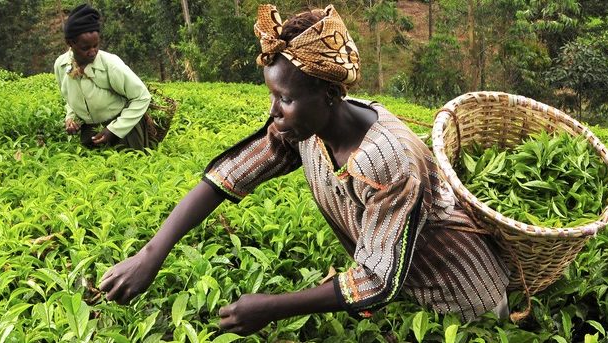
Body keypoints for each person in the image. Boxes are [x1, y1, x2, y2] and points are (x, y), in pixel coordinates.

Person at [98, 4, 510, 335]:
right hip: (405, 289)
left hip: (462, 298)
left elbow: (375, 282)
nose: (274, 112)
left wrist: (271, 307)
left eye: (285, 99)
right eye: (273, 96)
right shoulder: (304, 130)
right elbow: (232, 174)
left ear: (329, 94)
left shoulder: (390, 161)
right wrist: (151, 254)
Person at [54, 4, 154, 150]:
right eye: (85, 48)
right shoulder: (61, 66)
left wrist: (114, 129)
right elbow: (69, 98)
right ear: (70, 43)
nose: (92, 52)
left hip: (124, 132)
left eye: (96, 45)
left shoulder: (110, 65)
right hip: (91, 132)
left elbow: (142, 97)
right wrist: (71, 118)